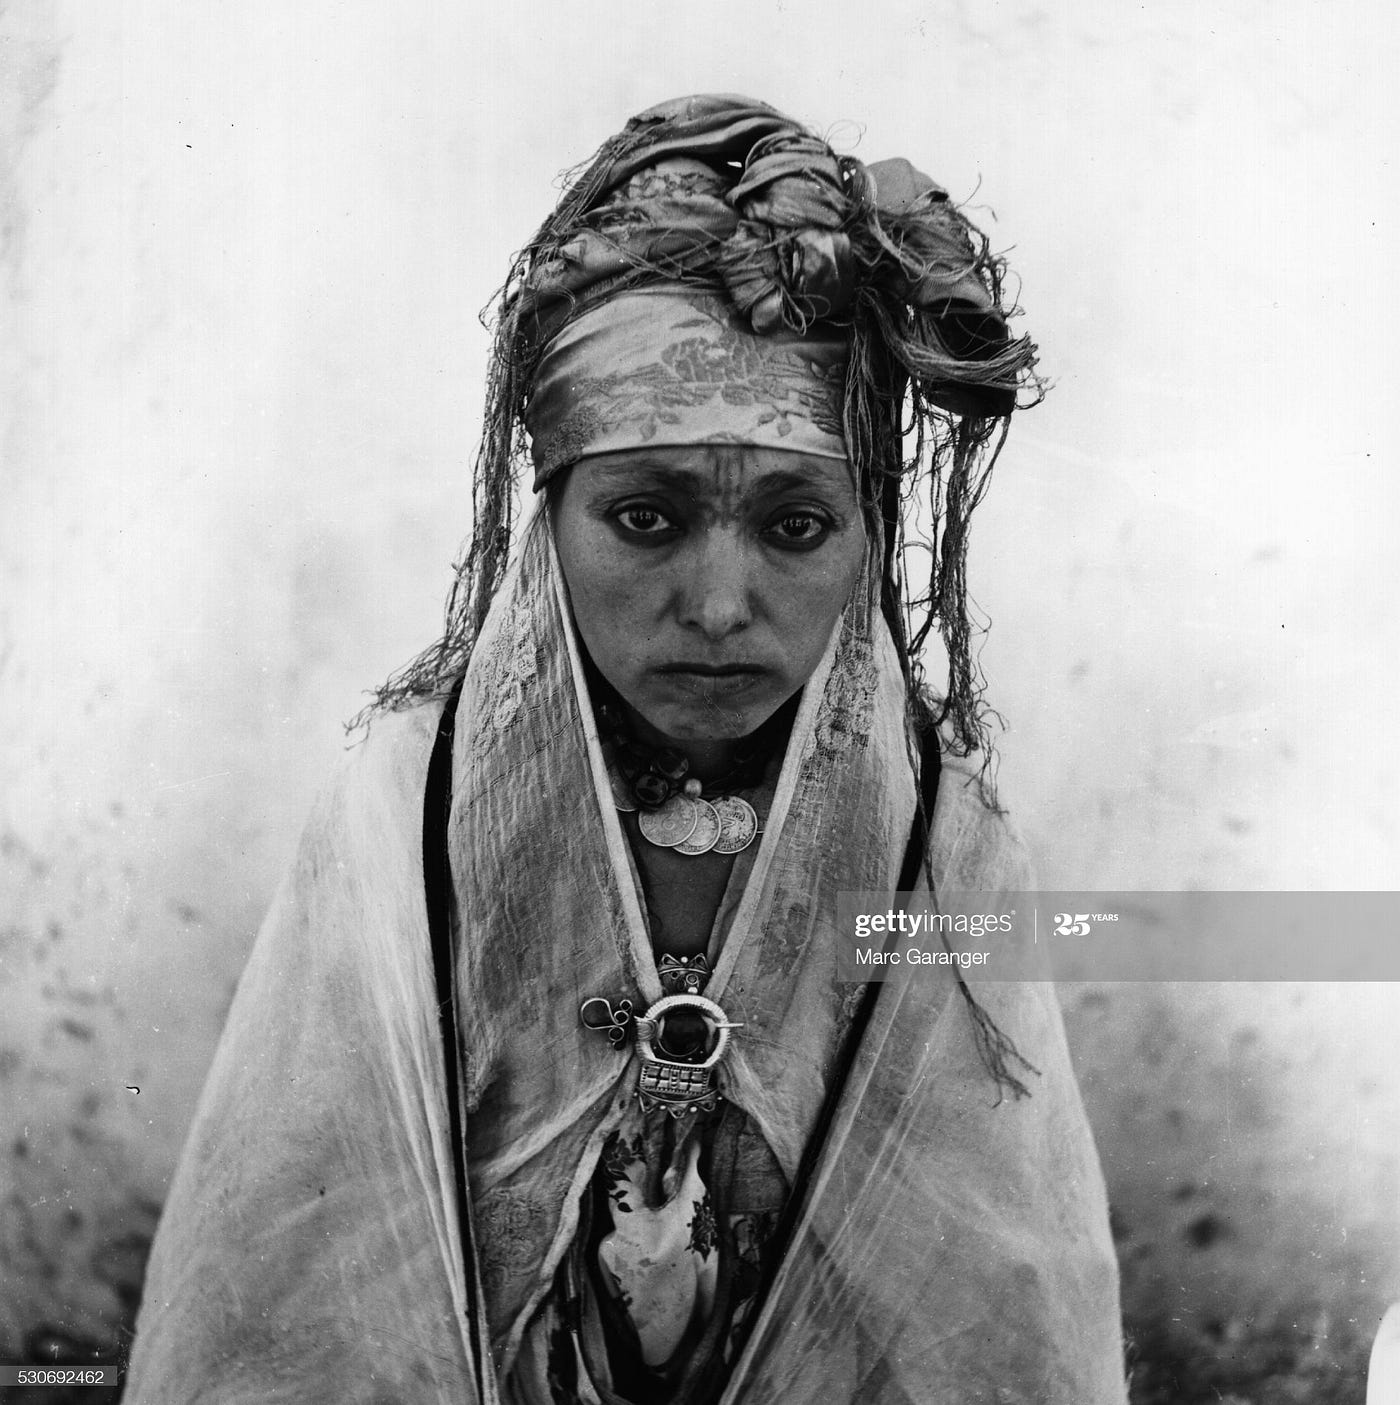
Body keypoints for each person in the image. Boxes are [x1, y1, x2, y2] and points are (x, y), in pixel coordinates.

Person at [126, 95, 1125, 1403]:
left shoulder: (935, 843)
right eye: (646, 517)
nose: (718, 606)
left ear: (869, 534)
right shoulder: (410, 812)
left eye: (796, 526)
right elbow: (298, 1293)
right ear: (550, 525)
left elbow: (989, 1310)